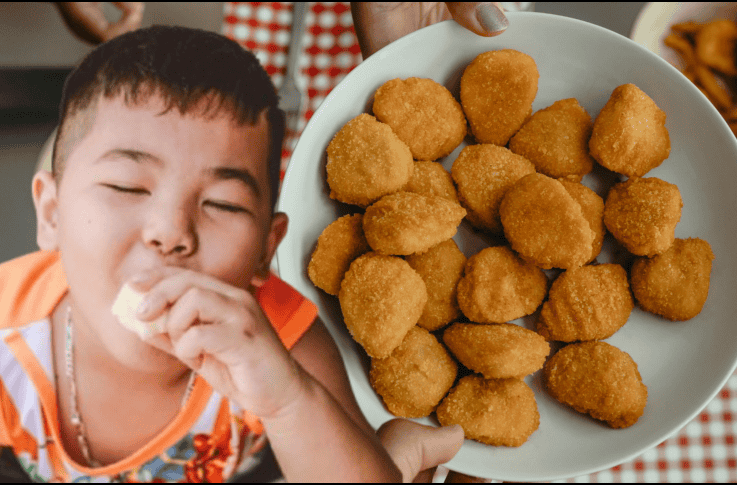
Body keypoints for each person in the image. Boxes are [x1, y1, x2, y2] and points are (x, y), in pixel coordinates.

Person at [0, 24, 469, 482]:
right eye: (126, 186)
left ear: (267, 247)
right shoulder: (7, 332)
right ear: (51, 214)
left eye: (222, 203)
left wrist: (287, 401)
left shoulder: (281, 340)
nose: (170, 232)